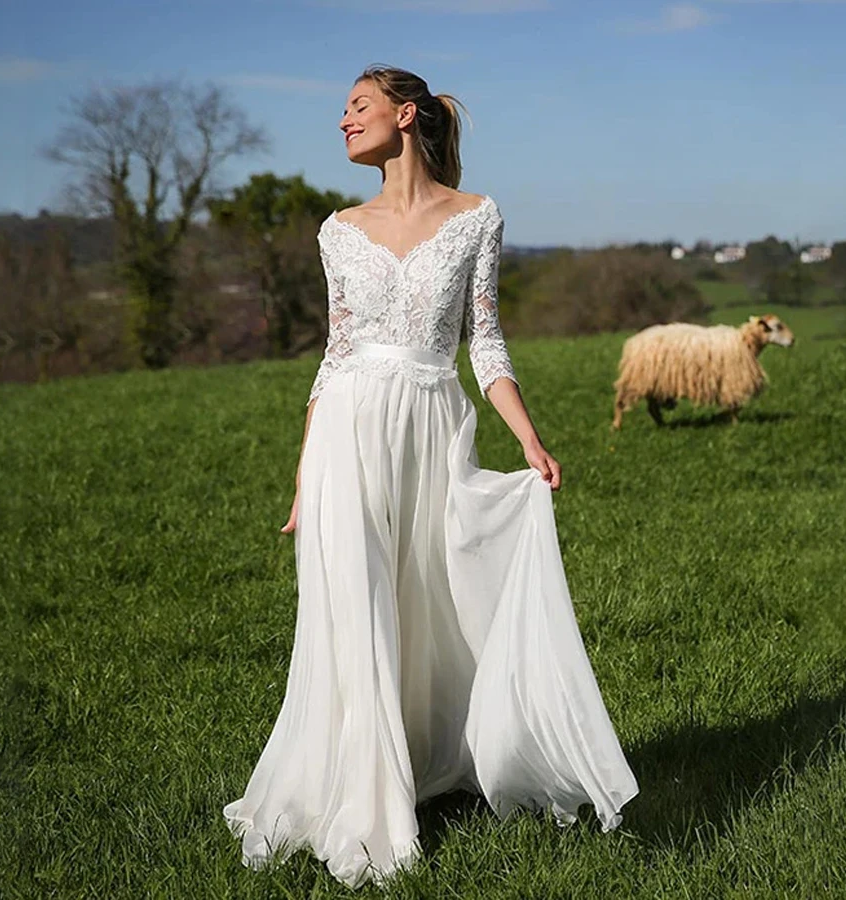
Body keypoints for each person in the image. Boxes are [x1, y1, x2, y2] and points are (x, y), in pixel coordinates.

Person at [223, 65, 638, 889]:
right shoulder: (336, 229)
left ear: (404, 116)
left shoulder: (476, 217)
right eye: (343, 110)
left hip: (433, 424)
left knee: (430, 599)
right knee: (359, 610)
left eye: (358, 106)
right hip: (347, 429)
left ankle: (442, 757)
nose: (342, 121)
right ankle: (368, 807)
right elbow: (334, 356)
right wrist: (306, 479)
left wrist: (529, 440)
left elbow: (484, 341)